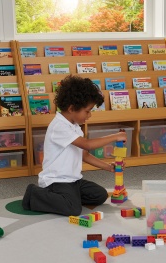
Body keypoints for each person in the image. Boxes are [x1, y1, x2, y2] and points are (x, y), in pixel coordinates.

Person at [22, 75, 127, 216]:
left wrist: (109, 167)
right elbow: (87, 145)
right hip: (56, 181)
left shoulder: (75, 126)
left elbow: (84, 154)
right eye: (87, 111)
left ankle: (69, 196)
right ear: (72, 108)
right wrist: (115, 136)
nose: (89, 115)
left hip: (73, 180)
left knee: (100, 195)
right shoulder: (59, 126)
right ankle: (33, 194)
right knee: (73, 208)